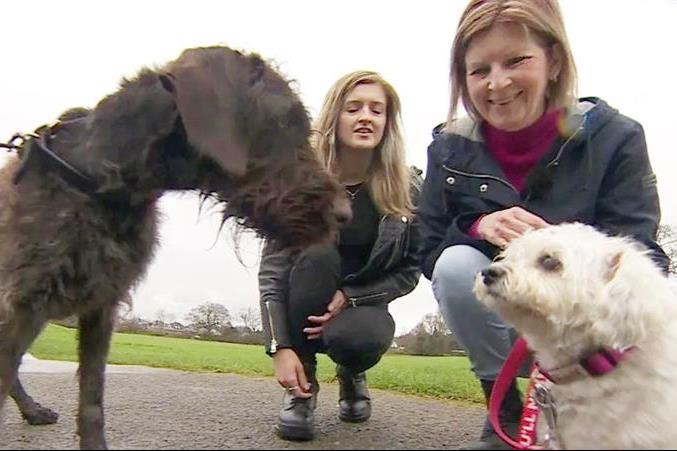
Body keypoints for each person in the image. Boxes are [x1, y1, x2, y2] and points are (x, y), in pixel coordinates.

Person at [417, 0, 669, 449]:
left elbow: (639, 252)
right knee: (456, 268)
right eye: (479, 70)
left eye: (516, 60)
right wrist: (477, 227)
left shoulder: (615, 137)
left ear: (553, 60)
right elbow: (428, 245)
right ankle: (507, 405)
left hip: (590, 327)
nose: (498, 83)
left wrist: (560, 250)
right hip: (504, 308)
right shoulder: (448, 148)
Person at [258, 70, 422, 441]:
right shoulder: (299, 183)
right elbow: (272, 270)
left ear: (387, 123)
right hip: (307, 290)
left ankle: (351, 373)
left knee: (359, 339)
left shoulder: (407, 188)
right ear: (335, 117)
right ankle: (303, 387)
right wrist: (280, 346)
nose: (366, 117)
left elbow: (410, 270)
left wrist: (352, 297)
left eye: (377, 110)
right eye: (354, 108)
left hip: (364, 305)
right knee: (317, 256)